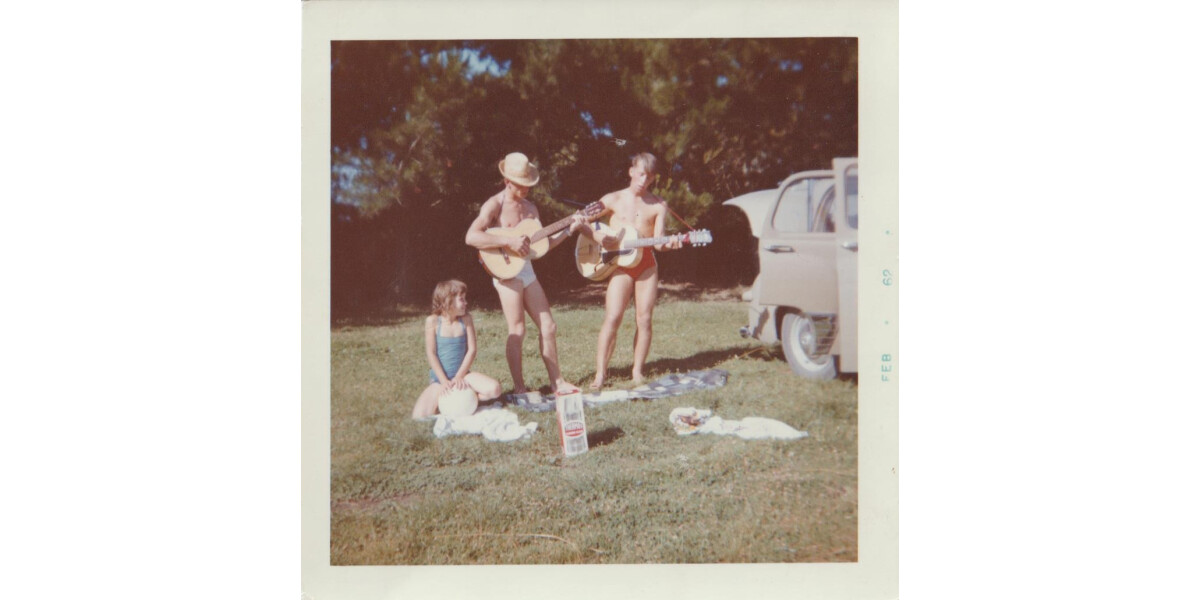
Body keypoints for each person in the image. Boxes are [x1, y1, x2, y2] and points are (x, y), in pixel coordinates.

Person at [464, 152, 586, 397]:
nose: (527, 189)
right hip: (505, 272)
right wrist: (507, 243)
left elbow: (541, 247)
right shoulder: (494, 205)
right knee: (517, 329)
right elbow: (471, 237)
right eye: (522, 185)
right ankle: (520, 388)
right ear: (508, 182)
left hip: (527, 269)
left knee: (549, 326)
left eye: (529, 184)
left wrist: (568, 230)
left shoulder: (531, 208)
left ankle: (557, 382)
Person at [582, 152, 683, 390]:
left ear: (653, 179)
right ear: (631, 171)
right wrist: (597, 236)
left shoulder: (658, 205)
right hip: (620, 266)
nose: (643, 180)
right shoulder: (613, 199)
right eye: (640, 174)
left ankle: (637, 371)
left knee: (644, 319)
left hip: (646, 265)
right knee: (613, 317)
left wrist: (671, 243)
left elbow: (658, 243)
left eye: (648, 177)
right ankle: (600, 374)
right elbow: (581, 220)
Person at [412, 279, 502, 419]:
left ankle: (470, 398)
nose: (466, 303)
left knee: (495, 389)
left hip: (464, 376)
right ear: (448, 301)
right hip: (439, 379)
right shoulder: (433, 321)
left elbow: (472, 350)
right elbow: (431, 353)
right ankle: (451, 400)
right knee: (419, 416)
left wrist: (459, 376)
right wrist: (444, 381)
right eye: (462, 299)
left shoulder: (466, 319)